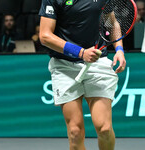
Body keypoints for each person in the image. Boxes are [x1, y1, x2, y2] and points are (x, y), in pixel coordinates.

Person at [39, 0, 126, 150]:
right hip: (64, 66)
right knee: (75, 132)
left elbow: (111, 22)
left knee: (104, 128)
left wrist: (119, 50)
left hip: (97, 63)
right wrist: (80, 52)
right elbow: (45, 36)